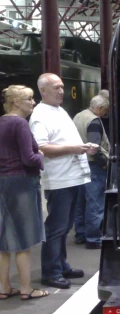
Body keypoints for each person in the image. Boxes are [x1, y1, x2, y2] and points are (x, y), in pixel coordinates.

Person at [29, 73, 95, 289]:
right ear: (43, 91)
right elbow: (41, 147)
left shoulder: (58, 110)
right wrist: (76, 148)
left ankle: (61, 265)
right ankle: (51, 272)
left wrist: (82, 147)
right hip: (59, 179)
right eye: (56, 87)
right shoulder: (40, 115)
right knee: (57, 228)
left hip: (72, 176)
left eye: (62, 86)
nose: (61, 91)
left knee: (65, 227)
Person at [0, 86, 49, 300]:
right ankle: (26, 288)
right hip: (20, 183)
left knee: (3, 240)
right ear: (16, 102)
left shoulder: (1, 121)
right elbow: (29, 158)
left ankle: (3, 287)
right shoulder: (19, 123)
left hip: (3, 182)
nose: (33, 102)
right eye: (29, 99)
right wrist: (41, 155)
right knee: (24, 239)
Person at [73, 95, 110, 249]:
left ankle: (80, 234)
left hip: (78, 163)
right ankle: (94, 238)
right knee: (95, 203)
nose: (105, 114)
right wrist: (104, 164)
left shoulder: (78, 116)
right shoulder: (94, 121)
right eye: (105, 110)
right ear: (100, 108)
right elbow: (94, 147)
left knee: (80, 202)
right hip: (93, 166)